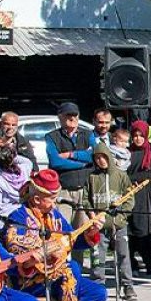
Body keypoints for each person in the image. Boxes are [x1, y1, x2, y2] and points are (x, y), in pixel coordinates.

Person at [3, 169, 108, 301]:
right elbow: (15, 248)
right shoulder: (19, 217)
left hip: (58, 278)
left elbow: (71, 240)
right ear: (37, 199)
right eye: (51, 198)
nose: (55, 202)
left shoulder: (55, 216)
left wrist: (90, 232)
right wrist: (49, 250)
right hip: (31, 279)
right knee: (72, 267)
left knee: (98, 293)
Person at [44, 102, 95, 268]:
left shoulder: (88, 134)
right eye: (68, 115)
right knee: (62, 232)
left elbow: (94, 156)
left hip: (84, 191)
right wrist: (81, 163)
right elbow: (55, 161)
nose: (72, 118)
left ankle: (77, 269)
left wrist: (71, 154)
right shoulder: (52, 136)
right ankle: (61, 267)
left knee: (80, 232)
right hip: (64, 191)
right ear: (60, 117)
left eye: (75, 115)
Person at [84, 143, 137, 301]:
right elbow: (86, 200)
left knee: (123, 254)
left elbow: (129, 198)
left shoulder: (121, 176)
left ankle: (127, 285)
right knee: (97, 255)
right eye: (97, 158)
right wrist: (93, 217)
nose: (100, 161)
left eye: (103, 157)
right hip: (99, 225)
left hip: (118, 224)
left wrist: (122, 217)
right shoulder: (92, 177)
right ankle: (98, 285)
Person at [126, 120, 151, 276]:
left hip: (144, 193)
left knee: (143, 228)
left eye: (140, 135)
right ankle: (132, 265)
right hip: (128, 193)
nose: (137, 139)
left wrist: (130, 178)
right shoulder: (127, 152)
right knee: (128, 229)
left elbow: (149, 173)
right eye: (135, 135)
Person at [0, 127, 33, 234]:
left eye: (0, 147)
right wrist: (10, 155)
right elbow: (27, 161)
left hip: (3, 219)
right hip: (22, 214)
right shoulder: (25, 169)